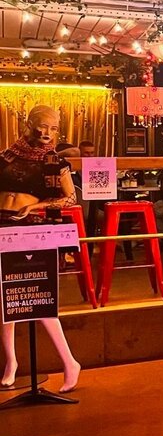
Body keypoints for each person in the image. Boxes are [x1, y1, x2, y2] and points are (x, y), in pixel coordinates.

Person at [0, 105, 81, 392]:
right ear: (28, 124)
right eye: (42, 126)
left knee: (39, 297)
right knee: (4, 301)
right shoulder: (6, 156)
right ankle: (11, 362)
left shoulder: (54, 163)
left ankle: (69, 361)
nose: (47, 132)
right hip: (2, 226)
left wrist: (35, 205)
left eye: (53, 128)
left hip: (32, 228)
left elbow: (70, 199)